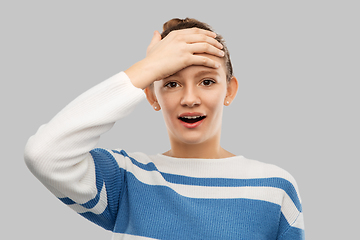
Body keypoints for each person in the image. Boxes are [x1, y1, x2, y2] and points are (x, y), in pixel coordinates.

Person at [24, 18, 305, 239]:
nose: (190, 98)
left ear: (229, 91)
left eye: (207, 81)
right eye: (171, 83)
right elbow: (44, 154)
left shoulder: (273, 188)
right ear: (151, 96)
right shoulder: (126, 181)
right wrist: (148, 67)